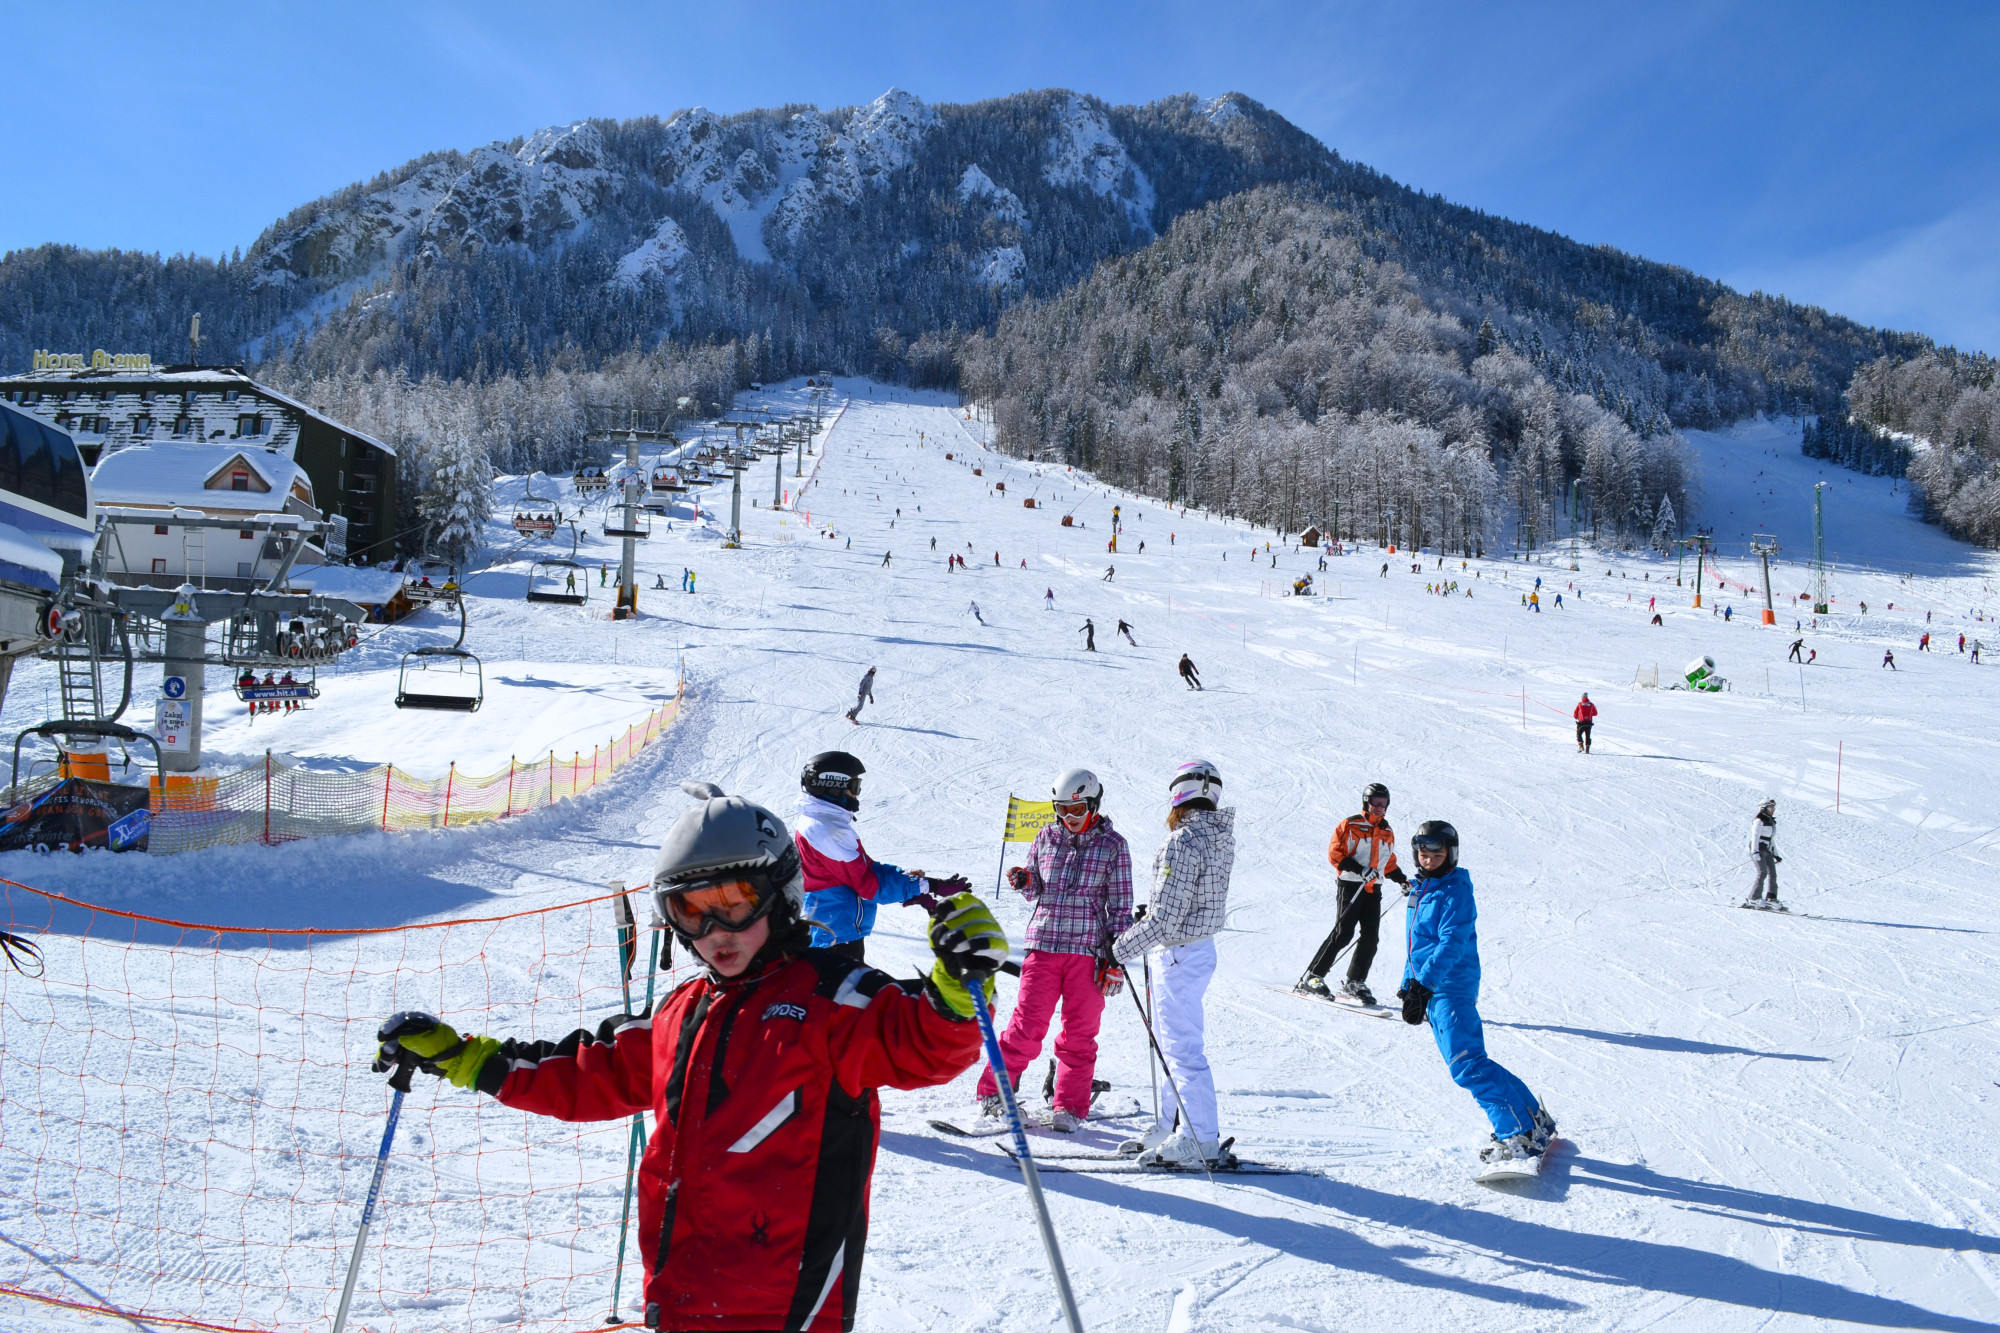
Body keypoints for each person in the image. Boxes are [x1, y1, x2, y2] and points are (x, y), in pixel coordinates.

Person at [370, 781, 1002, 1333]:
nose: (714, 934)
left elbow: (922, 1046)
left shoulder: (833, 1000)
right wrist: (463, 1057)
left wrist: (956, 986)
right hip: (682, 1297)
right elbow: (588, 1074)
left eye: (733, 906)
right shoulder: (682, 1012)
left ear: (778, 896)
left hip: (786, 1310)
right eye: (691, 913)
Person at [979, 768, 1134, 1131]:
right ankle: (994, 1093)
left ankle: (1069, 1108)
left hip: (1087, 952)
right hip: (1044, 945)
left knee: (1079, 1035)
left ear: (1093, 805)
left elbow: (1122, 909)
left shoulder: (1113, 845)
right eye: (1060, 810)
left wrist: (1116, 960)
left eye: (1075, 810)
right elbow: (1036, 887)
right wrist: (1025, 879)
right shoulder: (1046, 837)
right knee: (1025, 1027)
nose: (1067, 819)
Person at [1398, 820, 1556, 1170]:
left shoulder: (1454, 890)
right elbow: (1415, 944)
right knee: (1471, 1061)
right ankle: (1532, 1118)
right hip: (1432, 987)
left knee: (1466, 1064)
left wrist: (1424, 985)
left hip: (1449, 987)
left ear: (1450, 854)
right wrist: (1409, 984)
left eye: (1436, 855)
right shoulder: (1423, 889)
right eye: (1423, 855)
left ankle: (1516, 1132)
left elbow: (1451, 942)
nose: (1428, 861)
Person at [1113, 761, 1235, 1168]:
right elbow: (1188, 898)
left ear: (1178, 795)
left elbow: (1165, 918)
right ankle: (1171, 1123)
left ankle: (1199, 1140)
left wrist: (1117, 950)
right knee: (1168, 1044)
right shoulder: (1217, 836)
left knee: (1181, 1049)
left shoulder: (1182, 841)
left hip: (1180, 951)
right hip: (1194, 947)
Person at [795, 752, 960, 961]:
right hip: (836, 936)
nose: (857, 794)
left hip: (834, 929)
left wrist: (909, 880)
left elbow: (866, 869)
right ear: (833, 785)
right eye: (854, 787)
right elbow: (869, 886)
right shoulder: (827, 829)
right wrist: (929, 886)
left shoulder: (823, 823)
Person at [1296, 783, 1407, 1005]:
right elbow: (1335, 853)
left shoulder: (1387, 831)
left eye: (1383, 803)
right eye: (1375, 802)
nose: (1379, 807)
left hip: (1373, 888)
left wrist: (1403, 880)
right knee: (1343, 933)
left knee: (1370, 937)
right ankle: (1313, 977)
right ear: (1366, 802)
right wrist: (1359, 869)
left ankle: (1355, 982)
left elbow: (1388, 863)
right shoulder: (1350, 824)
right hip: (1351, 885)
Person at [1747, 798, 1782, 909]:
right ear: (1763, 808)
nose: (1773, 810)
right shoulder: (1759, 820)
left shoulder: (1771, 821)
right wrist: (1755, 851)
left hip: (1767, 849)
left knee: (1772, 873)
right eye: (1771, 808)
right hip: (1758, 847)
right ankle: (1754, 898)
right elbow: (1755, 837)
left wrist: (1775, 854)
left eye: (1774, 808)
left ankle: (1771, 897)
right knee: (1762, 873)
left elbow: (1771, 839)